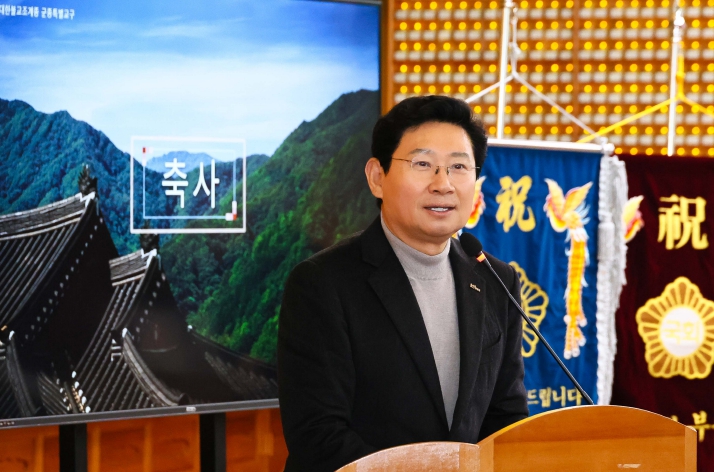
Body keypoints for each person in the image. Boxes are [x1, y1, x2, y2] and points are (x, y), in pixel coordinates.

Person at [277, 95, 528, 472]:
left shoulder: (496, 280)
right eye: (423, 164)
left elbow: (506, 420)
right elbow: (319, 437)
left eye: (459, 167)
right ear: (377, 177)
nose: (443, 184)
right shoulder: (322, 283)